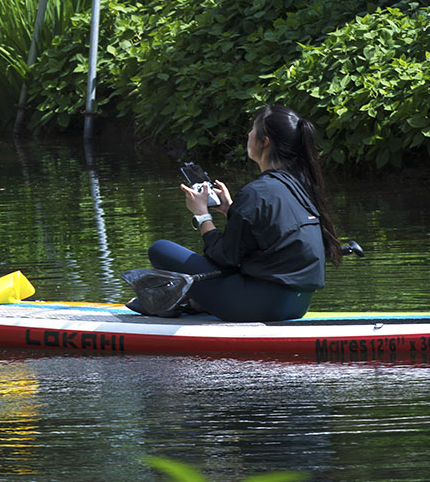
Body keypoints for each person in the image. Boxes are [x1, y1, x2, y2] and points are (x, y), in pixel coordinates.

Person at [145, 104, 344, 321]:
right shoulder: (302, 187)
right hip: (296, 306)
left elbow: (224, 257)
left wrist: (202, 215)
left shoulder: (257, 193)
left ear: (264, 141)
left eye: (252, 130)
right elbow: (269, 239)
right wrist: (231, 210)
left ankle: (189, 301)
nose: (248, 135)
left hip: (258, 306)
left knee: (160, 249)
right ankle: (195, 302)